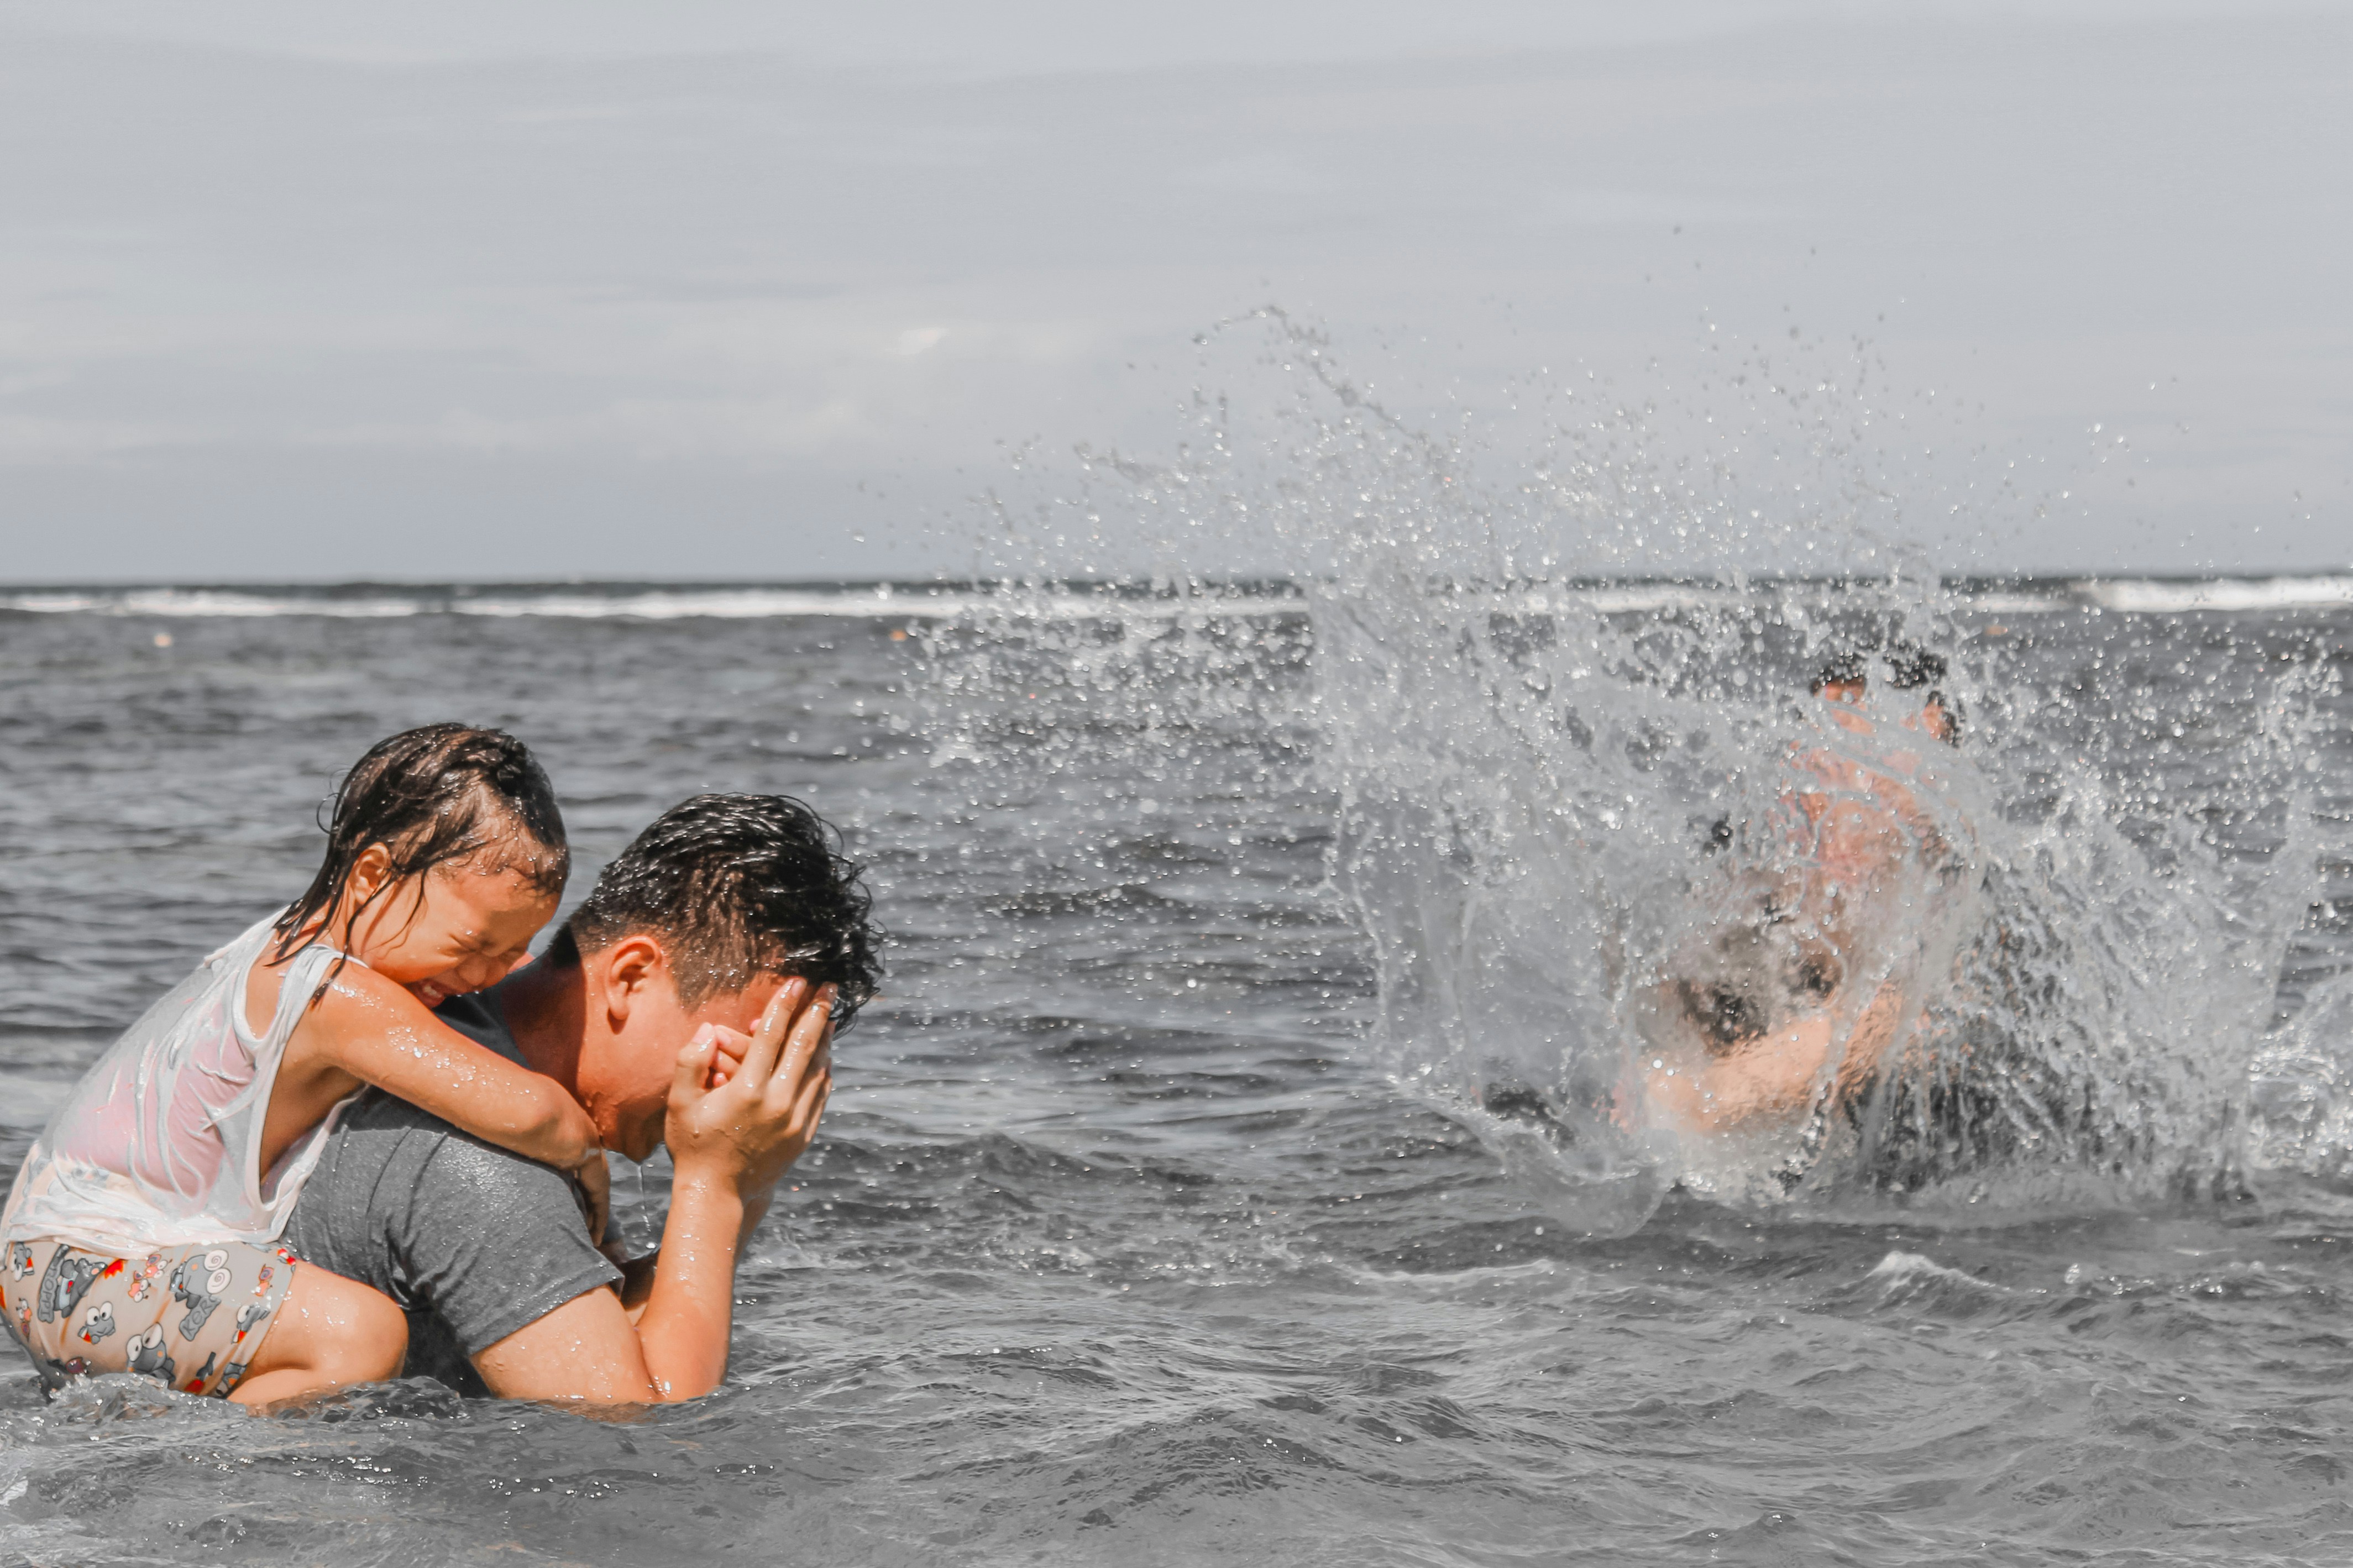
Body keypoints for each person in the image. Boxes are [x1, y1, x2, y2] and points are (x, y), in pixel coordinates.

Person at [1, 725, 606, 1406]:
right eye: (472, 942)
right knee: (358, 1334)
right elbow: (532, 1113)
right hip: (75, 1266)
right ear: (373, 875)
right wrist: (588, 1158)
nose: (488, 974)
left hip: (63, 1260)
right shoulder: (331, 994)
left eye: (515, 948)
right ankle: (188, 1452)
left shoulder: (297, 939)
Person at [280, 792, 880, 1403]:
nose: (753, 1096)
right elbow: (639, 1433)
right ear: (630, 976)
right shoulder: (478, 1161)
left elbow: (614, 1328)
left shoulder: (489, 1053)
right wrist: (717, 1185)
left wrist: (744, 1181)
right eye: (749, 1056)